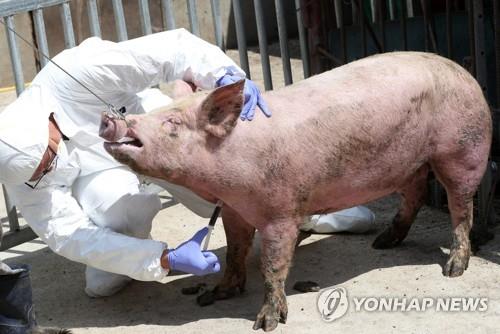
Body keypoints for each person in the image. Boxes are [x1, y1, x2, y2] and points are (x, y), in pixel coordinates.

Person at [0, 29, 374, 298]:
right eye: (40, 174)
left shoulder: (76, 70)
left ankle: (303, 214)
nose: (47, 171)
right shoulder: (20, 166)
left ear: (45, 124)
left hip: (145, 130)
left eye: (48, 159)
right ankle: (133, 249)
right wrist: (163, 259)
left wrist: (225, 75)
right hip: (98, 174)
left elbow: (173, 49)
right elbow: (66, 234)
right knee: (101, 284)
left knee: (215, 189)